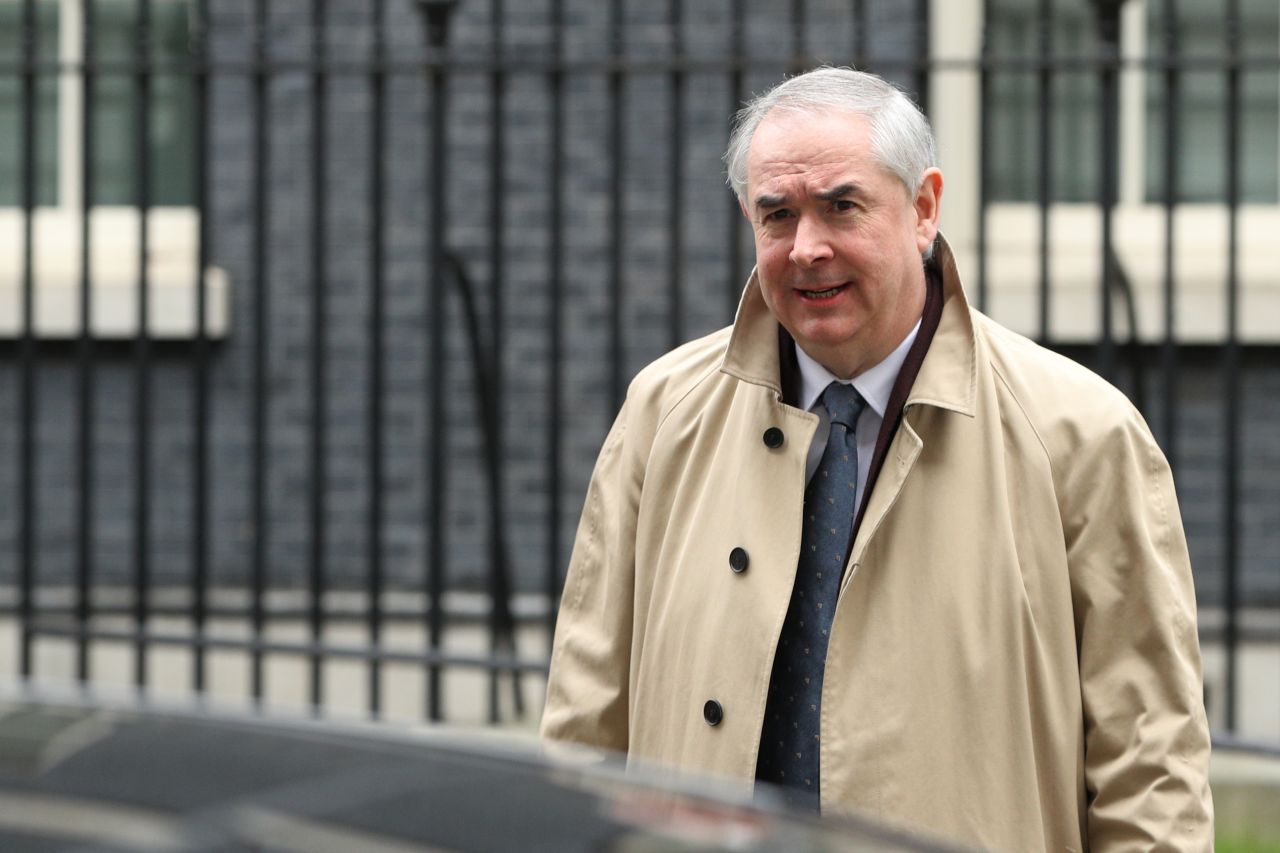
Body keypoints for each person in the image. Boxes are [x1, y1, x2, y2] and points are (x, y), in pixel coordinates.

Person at [540, 67, 1213, 851]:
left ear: (924, 208)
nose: (807, 248)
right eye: (777, 215)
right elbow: (584, 730)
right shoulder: (662, 416)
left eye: (841, 207)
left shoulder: (1081, 433)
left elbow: (1151, 764)